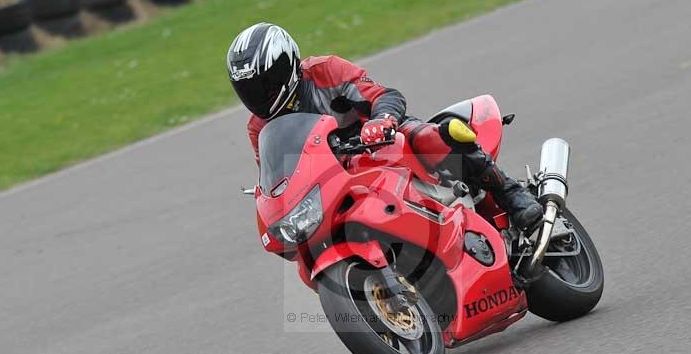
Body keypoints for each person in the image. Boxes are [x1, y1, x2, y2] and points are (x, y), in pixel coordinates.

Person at [226, 22, 542, 232]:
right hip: (336, 180)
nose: (258, 97)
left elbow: (383, 95)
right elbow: (281, 178)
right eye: (249, 90)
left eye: (264, 85)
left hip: (381, 145)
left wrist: (382, 121)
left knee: (430, 136)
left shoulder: (326, 72)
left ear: (286, 66)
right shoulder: (259, 128)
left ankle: (511, 193)